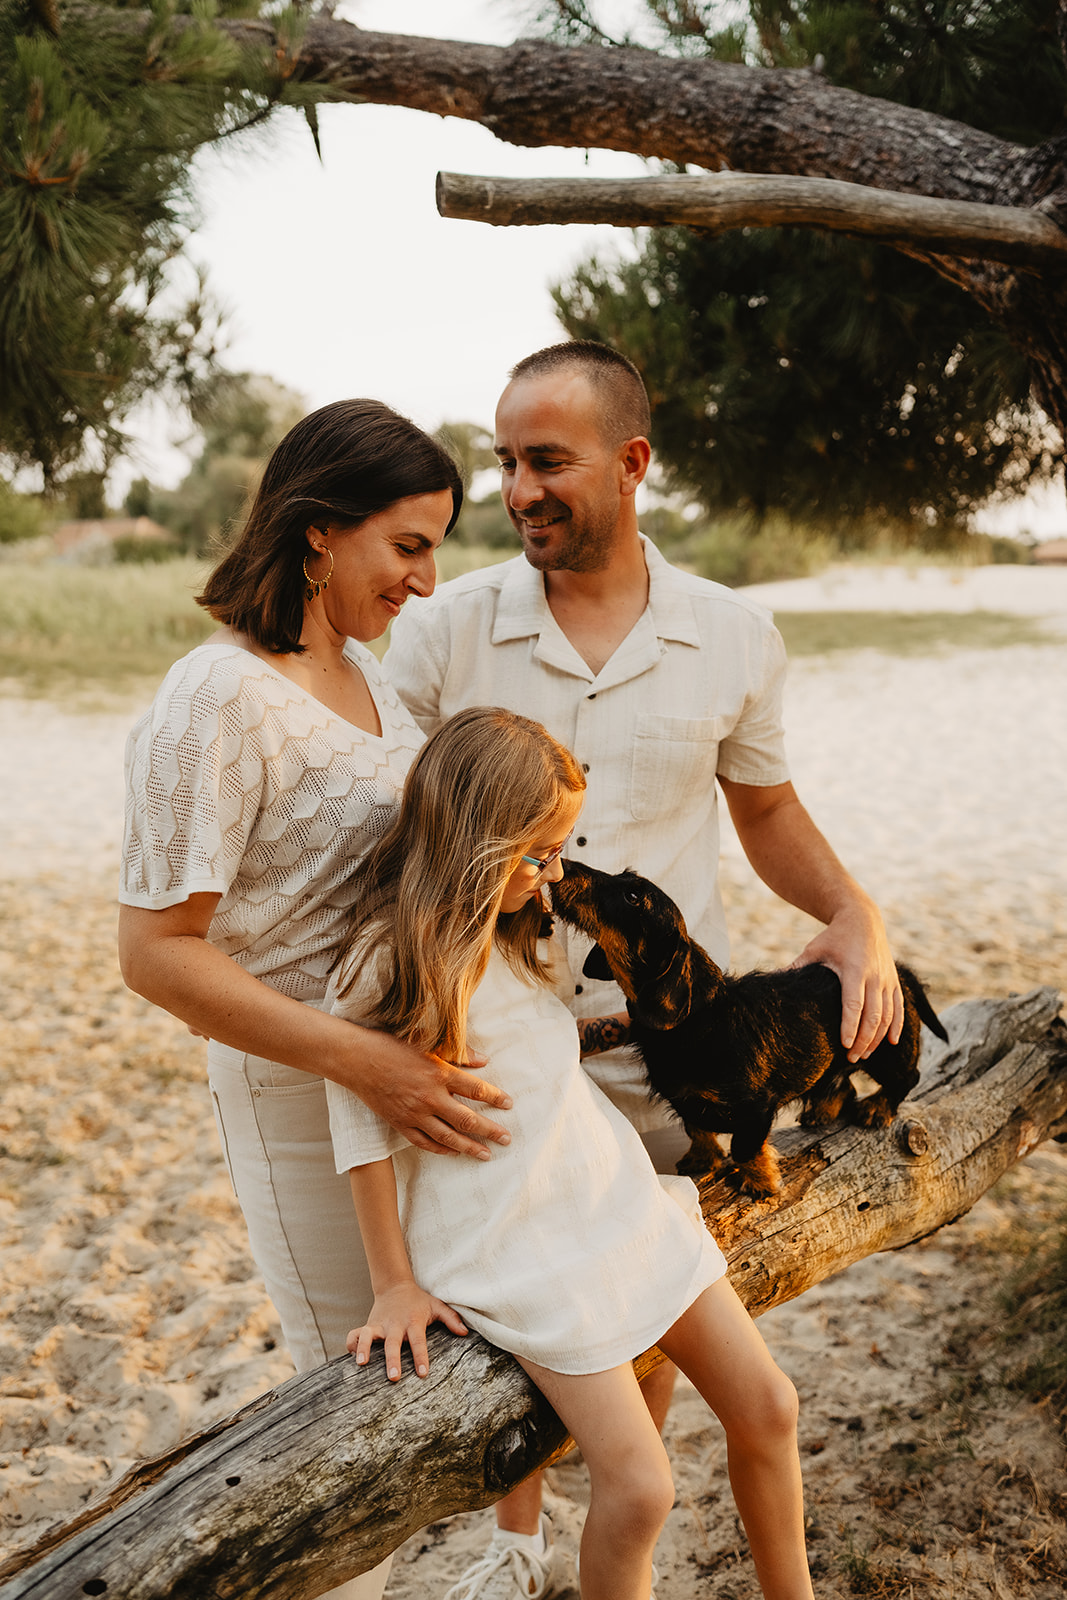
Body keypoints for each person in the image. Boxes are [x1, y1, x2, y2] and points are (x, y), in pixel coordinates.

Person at [384, 340, 903, 1597]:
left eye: (547, 460)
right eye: (506, 461)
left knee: (647, 1318)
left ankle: (618, 1536)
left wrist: (853, 914)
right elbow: (384, 818)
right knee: (536, 1319)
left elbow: (766, 812)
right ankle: (513, 1550)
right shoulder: (447, 631)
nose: (518, 490)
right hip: (503, 1048)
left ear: (631, 463)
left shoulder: (731, 635)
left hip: (673, 1048)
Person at [118, 399, 514, 1600]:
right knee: (352, 1420)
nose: (426, 579)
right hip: (301, 1092)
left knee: (434, 1393)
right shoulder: (214, 697)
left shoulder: (377, 686)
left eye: (436, 546)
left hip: (402, 1081)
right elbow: (155, 953)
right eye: (407, 545)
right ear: (317, 531)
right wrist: (358, 1061)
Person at [325, 705, 816, 1600]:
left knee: (770, 1407)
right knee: (640, 1490)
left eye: (559, 851)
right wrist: (393, 1282)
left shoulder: (515, 936)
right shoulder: (385, 959)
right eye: (537, 854)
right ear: (476, 840)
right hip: (519, 1244)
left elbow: (540, 1055)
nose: (555, 877)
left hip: (610, 1198)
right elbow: (358, 1128)